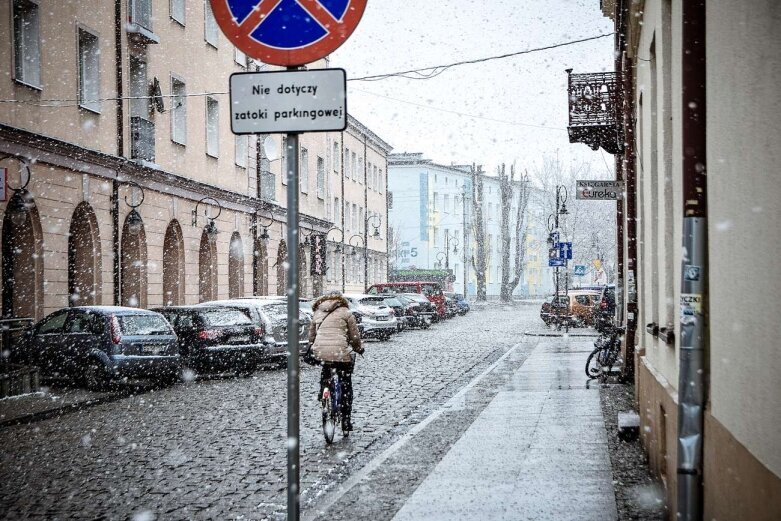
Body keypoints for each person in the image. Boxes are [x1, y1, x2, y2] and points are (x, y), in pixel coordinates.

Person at [309, 291, 363, 432]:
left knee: (326, 371)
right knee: (346, 385)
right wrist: (358, 348)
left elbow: (311, 336)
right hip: (340, 353)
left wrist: (316, 345)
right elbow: (354, 336)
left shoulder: (318, 311)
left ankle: (323, 392)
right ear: (341, 300)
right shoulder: (345, 312)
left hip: (320, 352)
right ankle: (346, 419)